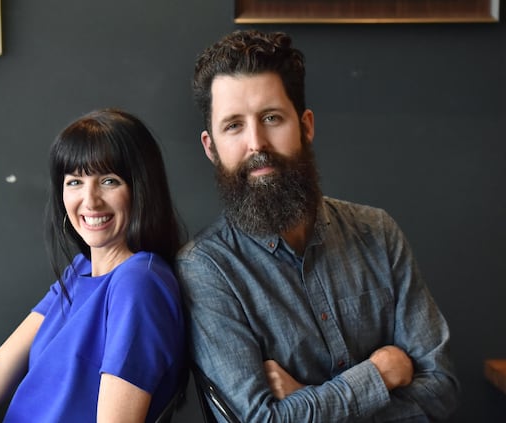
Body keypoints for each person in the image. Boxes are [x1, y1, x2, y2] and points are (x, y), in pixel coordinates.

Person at [176, 30, 459, 422]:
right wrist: (378, 374)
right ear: (211, 148)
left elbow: (441, 391)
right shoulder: (206, 270)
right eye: (234, 126)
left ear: (305, 126)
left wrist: (307, 400)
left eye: (271, 118)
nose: (256, 143)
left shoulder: (378, 233)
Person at [0, 108, 186, 423]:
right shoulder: (81, 271)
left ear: (141, 188)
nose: (90, 200)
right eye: (75, 182)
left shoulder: (138, 283)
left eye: (109, 181)